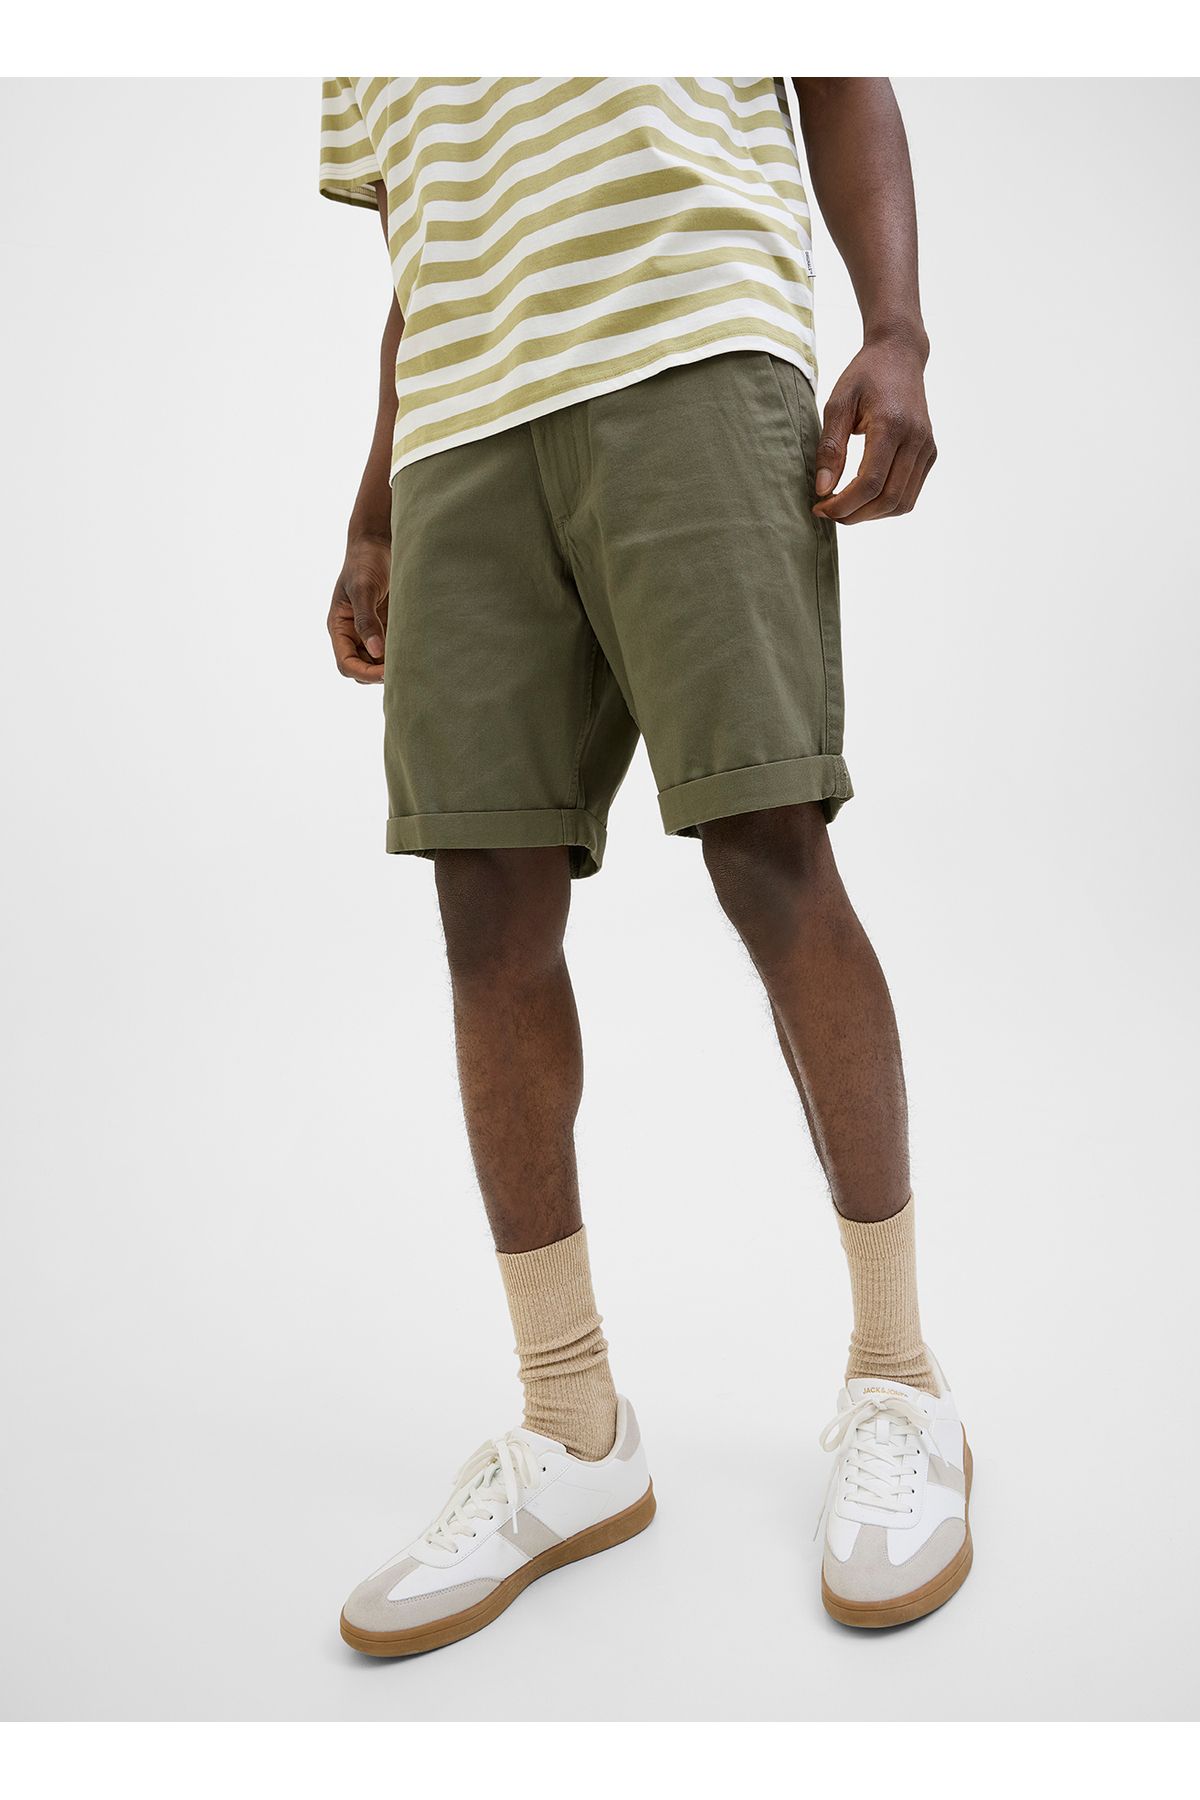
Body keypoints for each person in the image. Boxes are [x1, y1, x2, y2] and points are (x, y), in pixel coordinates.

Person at [320, 76, 970, 1656]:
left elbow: (837, 73)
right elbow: (428, 249)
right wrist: (375, 505)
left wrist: (895, 329)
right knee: (483, 910)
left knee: (768, 848)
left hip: (689, 347)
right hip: (462, 436)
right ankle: (573, 1432)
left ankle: (899, 1381)